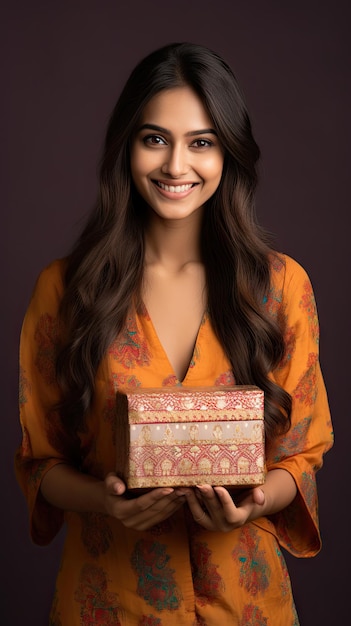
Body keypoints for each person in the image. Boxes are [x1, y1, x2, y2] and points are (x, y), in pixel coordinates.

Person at [15, 42, 333, 625]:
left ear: (228, 152)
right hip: (108, 602)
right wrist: (103, 502)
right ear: (126, 146)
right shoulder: (66, 290)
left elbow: (302, 456)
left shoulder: (281, 287)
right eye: (155, 138)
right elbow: (42, 460)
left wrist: (253, 505)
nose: (175, 166)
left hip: (247, 605)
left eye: (202, 143)